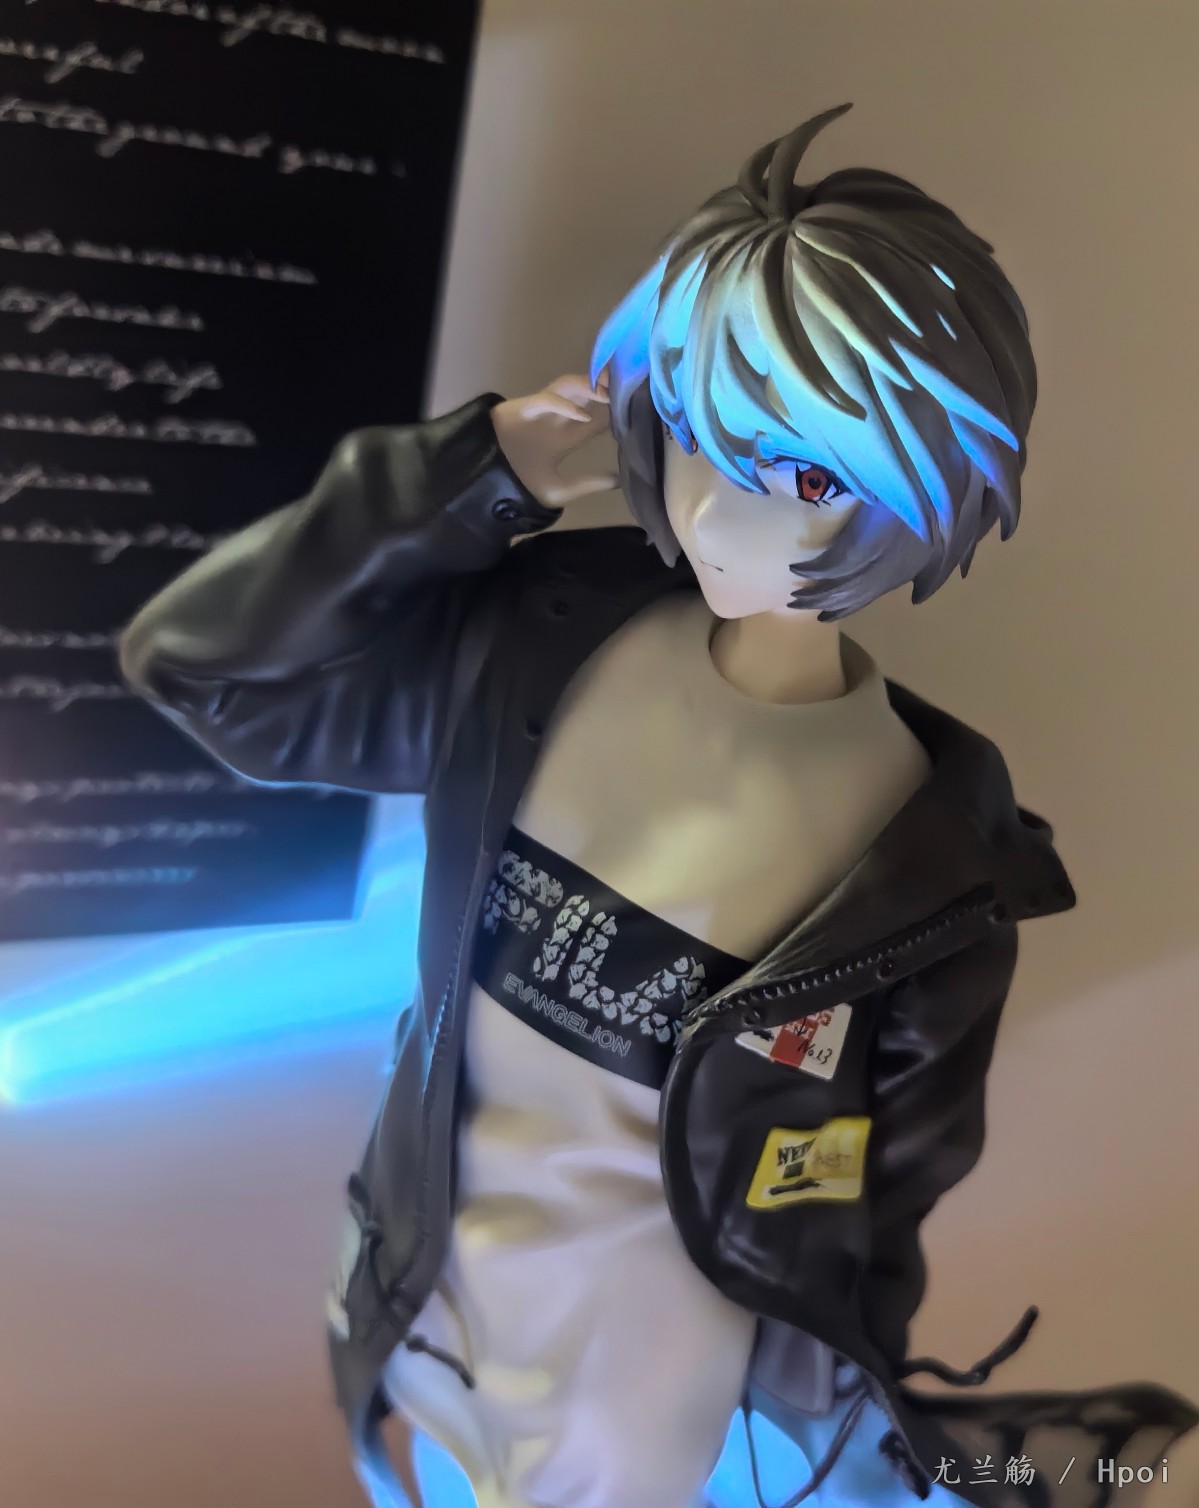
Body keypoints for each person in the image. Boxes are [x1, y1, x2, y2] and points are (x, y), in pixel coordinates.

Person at [119, 105, 1196, 1508]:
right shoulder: (538, 644)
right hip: (413, 1312)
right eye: (702, 433)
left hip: (652, 1406)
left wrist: (838, 1415)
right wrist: (476, 474)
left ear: (931, 483)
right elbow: (202, 667)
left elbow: (878, 1199)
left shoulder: (931, 859)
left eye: (809, 475)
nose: (722, 512)